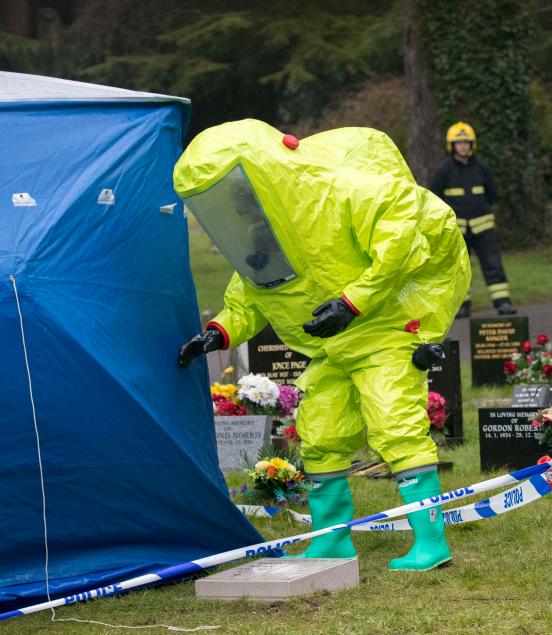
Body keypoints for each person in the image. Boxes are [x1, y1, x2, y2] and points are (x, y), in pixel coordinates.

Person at [176, 120, 471, 571]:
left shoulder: (346, 194)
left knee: (395, 423)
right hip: (333, 348)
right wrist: (217, 332)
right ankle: (333, 540)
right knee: (319, 431)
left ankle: (431, 542)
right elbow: (256, 294)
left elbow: (403, 241)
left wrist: (353, 302)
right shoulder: (264, 234)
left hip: (385, 330)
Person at [429, 121, 516, 318]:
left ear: (472, 144)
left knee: (493, 265)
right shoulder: (443, 170)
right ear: (452, 145)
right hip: (457, 230)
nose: (463, 146)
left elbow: (492, 194)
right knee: (459, 269)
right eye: (459, 143)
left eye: (466, 142)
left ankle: (503, 303)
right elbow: (434, 198)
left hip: (484, 228)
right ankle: (462, 306)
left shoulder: (481, 168)